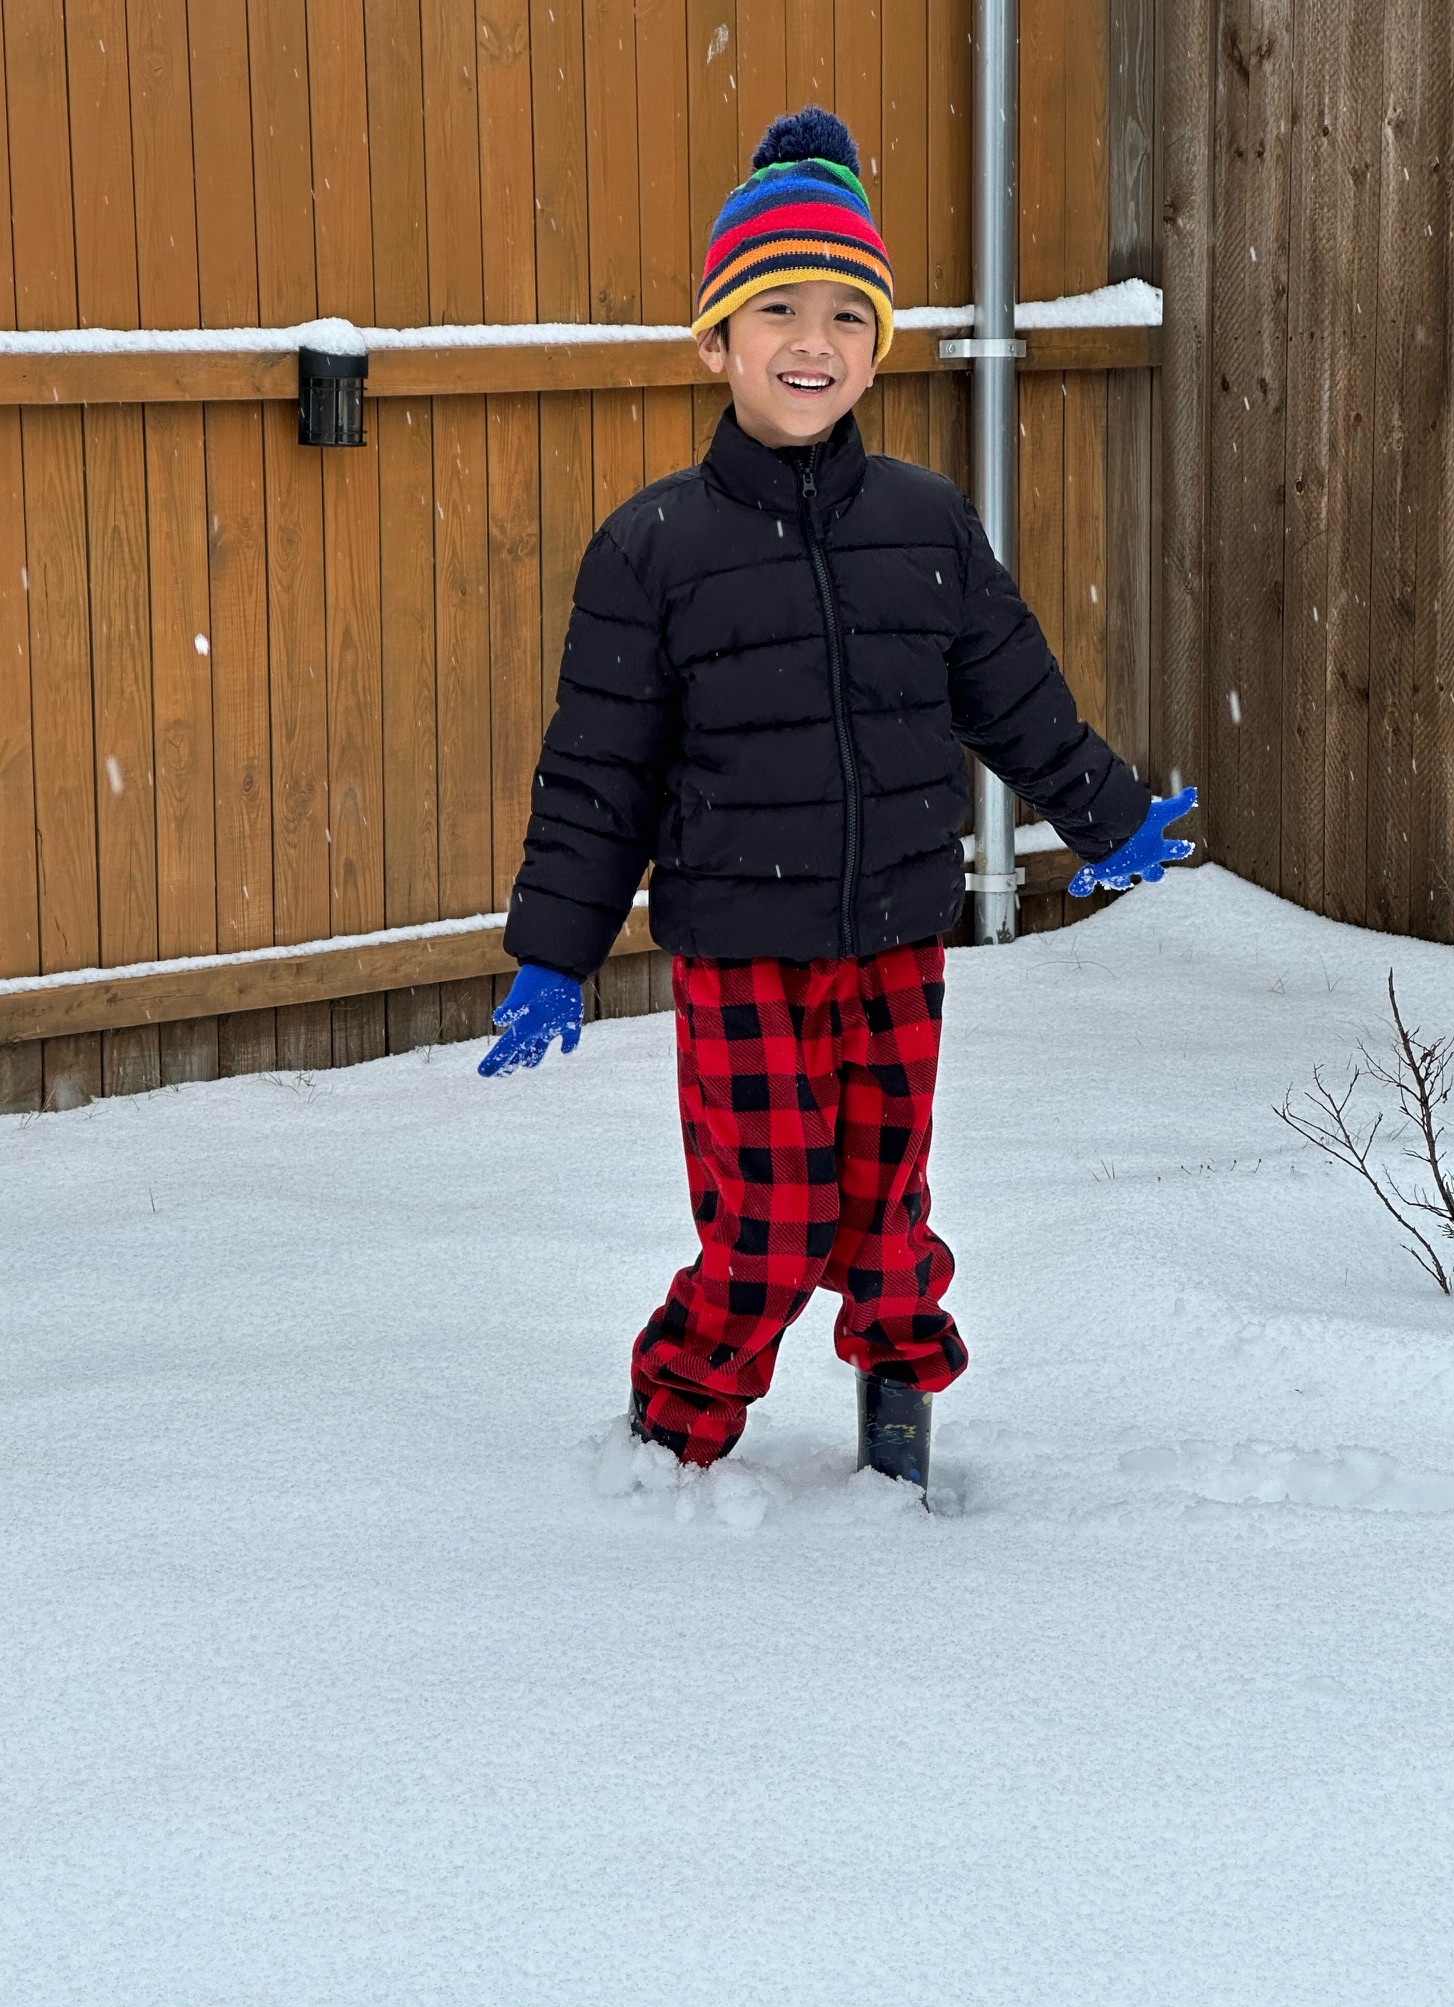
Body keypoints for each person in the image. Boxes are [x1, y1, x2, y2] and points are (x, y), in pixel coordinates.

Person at [482, 107, 1196, 1492]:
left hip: (896, 935)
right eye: (778, 310)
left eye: (844, 315)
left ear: (878, 346)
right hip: (740, 951)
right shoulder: (652, 549)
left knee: (885, 1212)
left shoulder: (926, 522)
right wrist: (552, 956)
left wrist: (1105, 814)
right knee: (770, 1226)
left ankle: (897, 1424)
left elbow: (1015, 696)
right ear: (718, 343)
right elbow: (598, 772)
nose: (813, 342)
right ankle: (672, 1437)